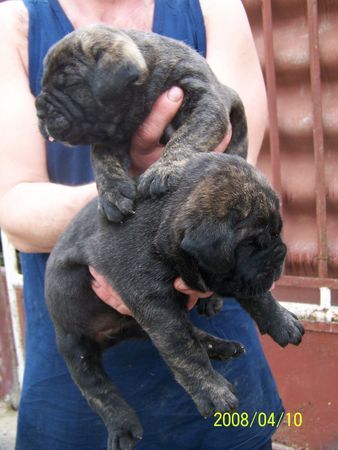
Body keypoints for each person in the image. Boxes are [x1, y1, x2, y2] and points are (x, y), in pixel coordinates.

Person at [0, 0, 282, 449]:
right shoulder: (14, 20)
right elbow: (14, 211)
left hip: (210, 299)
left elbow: (236, 159)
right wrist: (131, 193)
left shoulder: (213, 8)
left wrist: (173, 186)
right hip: (80, 315)